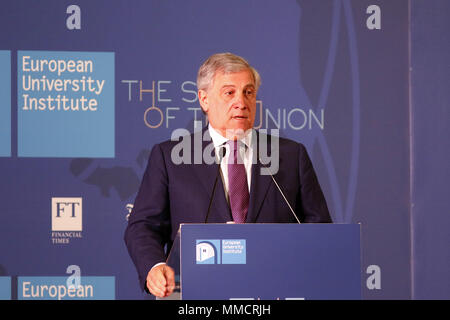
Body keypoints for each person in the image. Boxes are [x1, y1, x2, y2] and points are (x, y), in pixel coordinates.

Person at [124, 52, 332, 298]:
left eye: (248, 92)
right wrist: (155, 266)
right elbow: (142, 225)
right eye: (229, 92)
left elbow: (319, 228)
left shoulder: (290, 155)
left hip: (272, 292)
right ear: (204, 99)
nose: (241, 102)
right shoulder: (170, 157)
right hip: (198, 294)